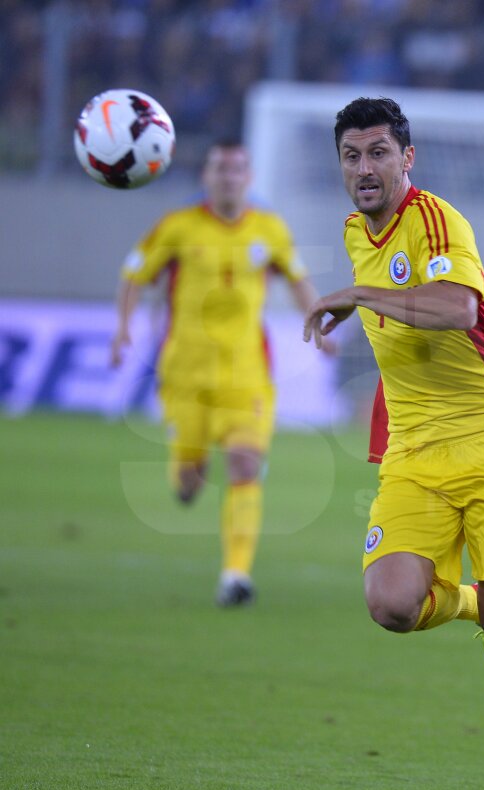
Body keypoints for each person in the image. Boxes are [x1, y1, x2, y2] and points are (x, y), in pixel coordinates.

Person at [302, 97, 484, 790]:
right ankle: (476, 599)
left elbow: (456, 310)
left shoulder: (437, 221)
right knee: (391, 606)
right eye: (351, 156)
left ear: (406, 159)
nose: (364, 169)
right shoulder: (357, 230)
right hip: (415, 452)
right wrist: (363, 296)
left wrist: (358, 293)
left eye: (378, 153)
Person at [112, 140, 323, 608]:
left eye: (237, 169)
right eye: (220, 168)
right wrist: (124, 328)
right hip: (185, 376)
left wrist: (320, 326)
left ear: (248, 177)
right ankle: (185, 477)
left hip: (247, 376)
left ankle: (235, 575)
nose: (228, 176)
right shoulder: (178, 227)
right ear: (206, 177)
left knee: (245, 463)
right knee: (190, 480)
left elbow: (296, 279)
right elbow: (134, 275)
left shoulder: (269, 229)